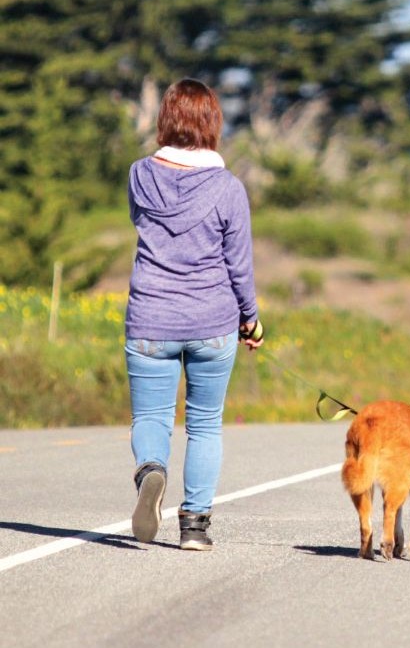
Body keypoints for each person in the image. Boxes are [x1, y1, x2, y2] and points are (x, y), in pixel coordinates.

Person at [124, 78, 263, 551]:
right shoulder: (229, 189)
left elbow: (143, 226)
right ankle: (195, 528)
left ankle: (151, 471)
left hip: (150, 319)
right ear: (211, 123)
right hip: (212, 321)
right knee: (204, 424)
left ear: (166, 120)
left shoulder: (139, 175)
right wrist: (251, 319)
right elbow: (238, 264)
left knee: (151, 415)